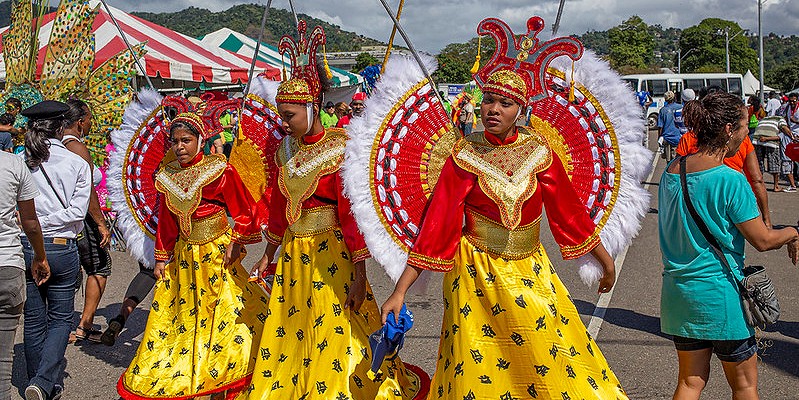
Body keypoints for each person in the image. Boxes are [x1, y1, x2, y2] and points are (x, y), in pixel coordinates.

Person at [381, 68, 627, 399]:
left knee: (547, 347)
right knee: (478, 362)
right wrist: (400, 291)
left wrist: (606, 262)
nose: (493, 109)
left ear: (522, 110)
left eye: (506, 103)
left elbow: (570, 215)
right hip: (474, 274)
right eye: (489, 100)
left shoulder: (540, 152)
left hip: (530, 268)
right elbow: (436, 229)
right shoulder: (464, 155)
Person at [247, 21, 424, 399]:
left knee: (335, 324)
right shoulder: (284, 151)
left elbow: (350, 214)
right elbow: (280, 207)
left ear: (313, 109)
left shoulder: (341, 147)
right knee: (293, 324)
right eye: (281, 114)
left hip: (332, 255)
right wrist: (268, 252)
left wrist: (360, 273)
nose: (284, 122)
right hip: (295, 256)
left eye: (291, 115)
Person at [117, 110, 268, 399]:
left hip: (216, 253)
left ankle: (225, 373)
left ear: (201, 140)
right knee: (186, 315)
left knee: (223, 310)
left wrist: (237, 241)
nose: (180, 147)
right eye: (175, 141)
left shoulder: (220, 170)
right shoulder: (168, 175)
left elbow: (244, 210)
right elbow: (167, 221)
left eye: (186, 140)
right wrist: (161, 257)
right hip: (185, 258)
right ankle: (194, 368)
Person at [658, 91, 799, 400]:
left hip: (679, 296)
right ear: (728, 130)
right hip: (721, 296)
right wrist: (790, 232)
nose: (747, 133)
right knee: (744, 386)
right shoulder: (730, 180)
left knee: (689, 383)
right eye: (745, 126)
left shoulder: (671, 172)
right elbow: (762, 239)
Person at [20, 100, 91, 400]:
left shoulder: (19, 162)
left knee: (34, 320)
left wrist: (36, 223)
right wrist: (49, 222)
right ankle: (44, 381)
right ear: (62, 127)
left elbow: (15, 210)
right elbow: (77, 212)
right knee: (61, 319)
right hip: (62, 247)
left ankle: (39, 382)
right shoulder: (77, 163)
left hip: (27, 245)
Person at [677, 87, 773, 227]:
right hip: (733, 207)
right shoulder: (741, 140)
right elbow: (756, 179)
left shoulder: (688, 138)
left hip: (696, 207)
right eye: (746, 125)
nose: (747, 130)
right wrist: (766, 220)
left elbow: (679, 176)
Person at [60, 99, 112, 343]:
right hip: (83, 219)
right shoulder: (78, 149)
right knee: (100, 267)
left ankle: (58, 326)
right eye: (90, 118)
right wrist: (101, 223)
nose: (92, 123)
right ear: (80, 122)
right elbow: (87, 191)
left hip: (60, 220)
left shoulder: (53, 146)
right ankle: (85, 324)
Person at [0, 150, 49, 399]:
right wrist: (40, 256)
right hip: (7, 265)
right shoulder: (12, 164)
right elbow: (30, 222)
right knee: (3, 358)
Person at [753, 116, 791, 192]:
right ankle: (776, 186)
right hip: (769, 141)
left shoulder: (765, 118)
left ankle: (759, 185)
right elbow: (784, 128)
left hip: (757, 139)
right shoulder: (781, 119)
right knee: (774, 163)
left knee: (759, 163)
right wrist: (792, 136)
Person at [779, 93, 799, 192]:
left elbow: (793, 120)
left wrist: (796, 121)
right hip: (790, 136)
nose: (792, 103)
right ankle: (793, 184)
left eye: (794, 101)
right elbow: (784, 119)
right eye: (790, 101)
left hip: (797, 137)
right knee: (788, 159)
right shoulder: (787, 107)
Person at [657, 90, 684, 159]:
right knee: (676, 159)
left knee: (668, 160)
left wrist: (659, 138)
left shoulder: (663, 110)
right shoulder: (681, 107)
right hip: (678, 137)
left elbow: (660, 126)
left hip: (666, 137)